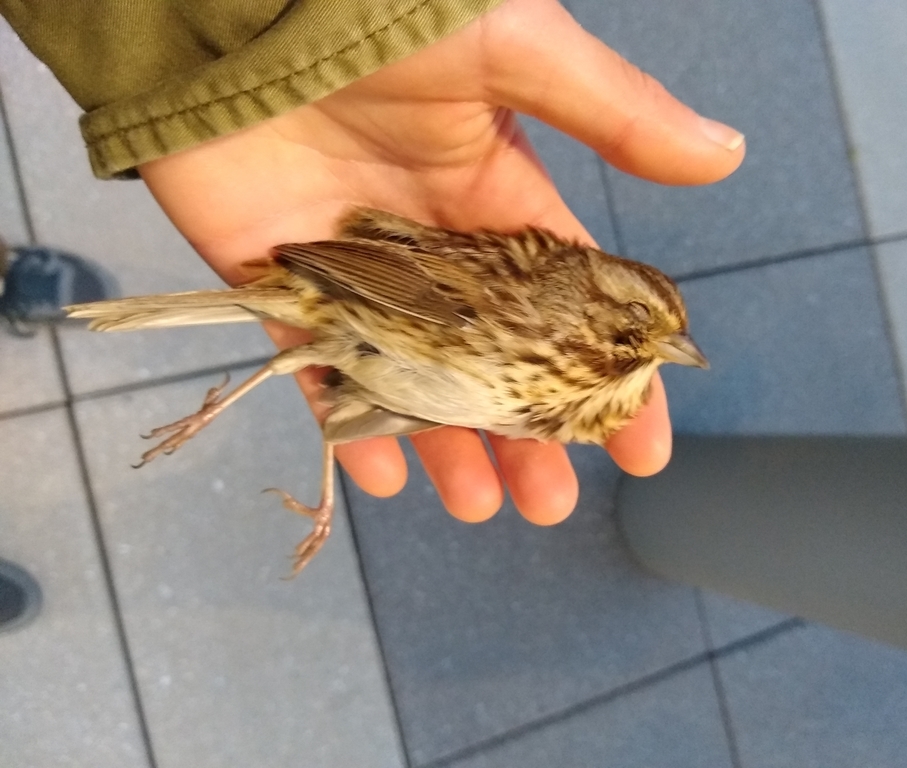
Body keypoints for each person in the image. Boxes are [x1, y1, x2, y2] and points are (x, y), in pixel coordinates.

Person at [0, 0, 745, 526]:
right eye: (644, 324)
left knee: (338, 399)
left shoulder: (594, 395)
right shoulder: (538, 315)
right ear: (599, 302)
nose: (666, 345)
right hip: (363, 298)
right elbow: (406, 282)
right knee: (300, 344)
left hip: (376, 345)